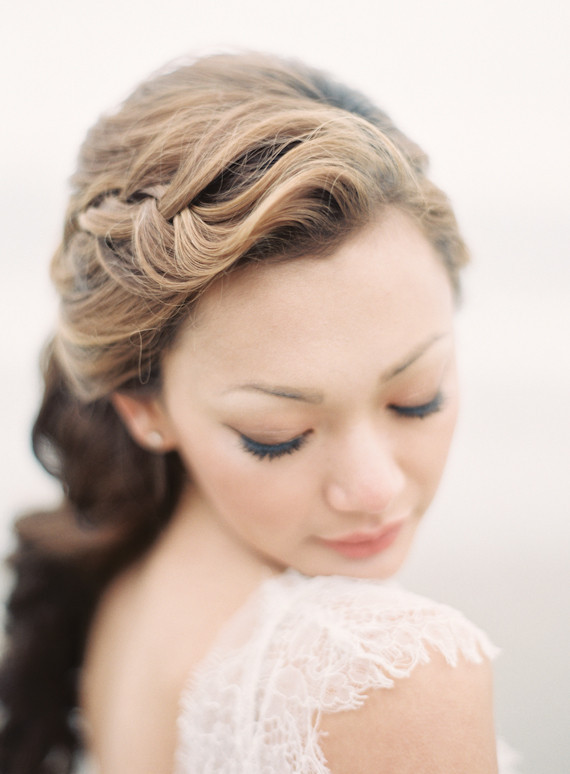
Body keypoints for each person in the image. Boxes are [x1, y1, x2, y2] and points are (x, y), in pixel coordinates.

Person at [0, 52, 521, 774]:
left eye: (417, 397)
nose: (373, 489)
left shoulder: (120, 588)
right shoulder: (383, 675)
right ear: (144, 409)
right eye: (278, 438)